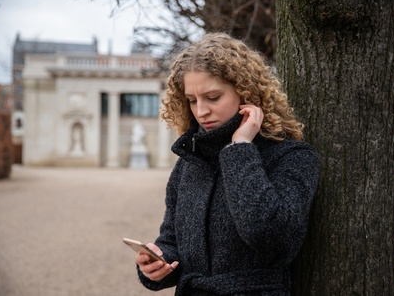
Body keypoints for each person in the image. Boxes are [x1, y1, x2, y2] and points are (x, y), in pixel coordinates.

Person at [134, 32, 319, 295]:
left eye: (213, 97)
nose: (200, 111)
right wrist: (158, 264)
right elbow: (172, 241)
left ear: (246, 92)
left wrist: (241, 148)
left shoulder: (292, 157)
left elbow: (269, 236)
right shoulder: (190, 163)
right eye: (192, 100)